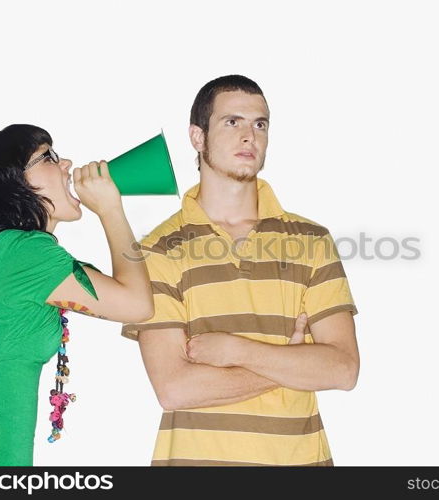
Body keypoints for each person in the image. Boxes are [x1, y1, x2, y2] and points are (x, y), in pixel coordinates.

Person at [121, 75, 360, 466]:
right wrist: (291, 360)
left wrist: (237, 350)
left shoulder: (313, 240)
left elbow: (343, 369)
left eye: (259, 123)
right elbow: (176, 388)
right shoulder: (158, 249)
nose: (249, 135)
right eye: (232, 122)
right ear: (197, 138)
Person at [0, 124, 153, 466]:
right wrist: (110, 209)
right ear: (11, 183)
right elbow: (137, 304)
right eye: (47, 156)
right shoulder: (20, 253)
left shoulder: (4, 254)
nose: (67, 164)